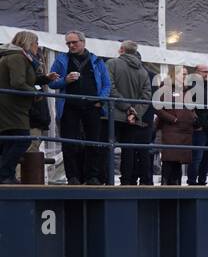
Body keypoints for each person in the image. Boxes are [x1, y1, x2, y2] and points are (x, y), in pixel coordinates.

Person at [48, 31, 111, 185]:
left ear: (83, 42)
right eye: (68, 43)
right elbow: (51, 82)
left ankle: (92, 176)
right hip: (69, 106)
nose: (71, 45)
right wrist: (65, 80)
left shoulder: (97, 61)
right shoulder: (61, 60)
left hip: (92, 106)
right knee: (69, 142)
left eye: (74, 42)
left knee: (93, 142)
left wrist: (100, 101)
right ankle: (73, 177)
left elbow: (107, 84)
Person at [0, 31, 55, 185]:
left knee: (10, 140)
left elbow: (25, 78)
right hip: (12, 106)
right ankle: (5, 175)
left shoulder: (17, 56)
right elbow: (18, 82)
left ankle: (6, 175)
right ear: (30, 43)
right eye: (36, 43)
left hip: (12, 106)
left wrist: (44, 78)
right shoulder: (17, 57)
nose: (38, 47)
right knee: (22, 139)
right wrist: (35, 93)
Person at [107, 41, 155, 186]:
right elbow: (146, 96)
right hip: (132, 117)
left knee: (108, 146)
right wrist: (134, 112)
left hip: (114, 114)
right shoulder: (143, 71)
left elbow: (110, 87)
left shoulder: (112, 63)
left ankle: (108, 180)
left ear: (122, 49)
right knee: (129, 150)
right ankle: (127, 181)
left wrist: (126, 107)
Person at [155, 68, 196, 185]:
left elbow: (191, 108)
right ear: (174, 75)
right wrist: (173, 119)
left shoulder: (186, 90)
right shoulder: (166, 88)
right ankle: (165, 187)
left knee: (179, 161)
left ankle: (177, 188)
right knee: (169, 160)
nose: (185, 76)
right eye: (183, 74)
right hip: (171, 129)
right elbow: (158, 107)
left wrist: (193, 117)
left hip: (185, 130)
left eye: (186, 74)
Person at [188, 64, 208, 185]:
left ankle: (202, 180)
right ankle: (192, 180)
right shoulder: (191, 85)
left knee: (206, 156)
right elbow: (188, 106)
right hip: (198, 126)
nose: (207, 74)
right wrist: (196, 122)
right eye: (205, 72)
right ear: (197, 72)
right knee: (197, 157)